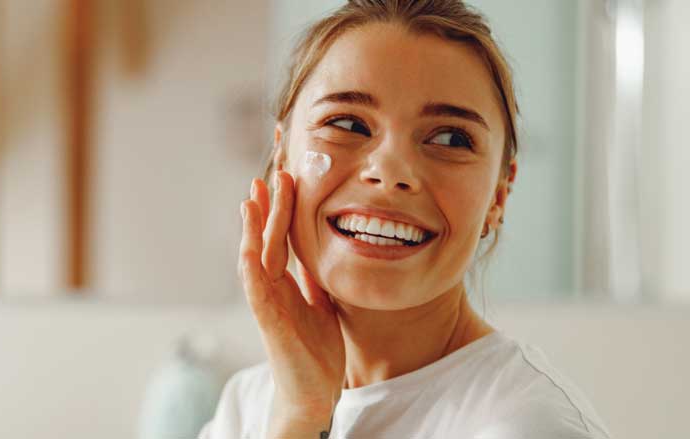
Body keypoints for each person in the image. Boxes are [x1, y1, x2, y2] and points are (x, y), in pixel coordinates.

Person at [201, 0, 611, 437]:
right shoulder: (248, 406)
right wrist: (301, 414)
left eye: (451, 138)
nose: (391, 171)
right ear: (281, 154)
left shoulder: (526, 426)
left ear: (499, 193)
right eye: (348, 124)